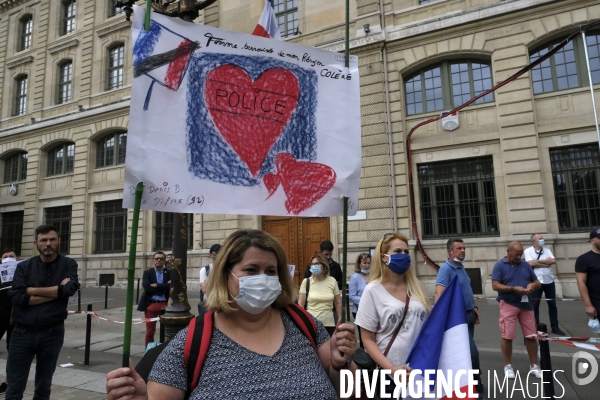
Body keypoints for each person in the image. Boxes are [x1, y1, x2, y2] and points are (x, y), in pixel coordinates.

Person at [106, 229, 357, 400]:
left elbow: (350, 391)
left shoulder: (303, 323)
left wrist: (341, 365)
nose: (263, 278)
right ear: (226, 275)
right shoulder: (190, 342)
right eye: (251, 269)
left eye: (271, 271)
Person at [6, 225, 79, 400]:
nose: (48, 243)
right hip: (22, 333)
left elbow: (70, 288)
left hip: (52, 333)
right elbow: (16, 297)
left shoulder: (68, 264)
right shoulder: (24, 267)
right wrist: (56, 292)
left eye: (52, 239)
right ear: (36, 243)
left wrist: (31, 290)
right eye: (43, 240)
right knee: (14, 387)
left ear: (59, 241)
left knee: (44, 386)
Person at [354, 233, 430, 395]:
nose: (404, 255)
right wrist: (392, 369)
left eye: (406, 252)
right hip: (389, 375)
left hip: (420, 370)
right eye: (398, 251)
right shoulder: (372, 290)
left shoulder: (416, 288)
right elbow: (367, 340)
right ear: (384, 257)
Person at [435, 238, 483, 396]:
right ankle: (477, 384)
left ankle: (468, 386)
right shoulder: (446, 269)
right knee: (472, 353)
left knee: (466, 355)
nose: (463, 250)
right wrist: (442, 318)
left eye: (464, 248)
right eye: (459, 248)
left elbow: (466, 290)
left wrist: (474, 307)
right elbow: (439, 294)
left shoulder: (461, 267)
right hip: (458, 319)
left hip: (469, 314)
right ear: (450, 251)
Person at [491, 241, 542, 379]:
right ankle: (508, 366)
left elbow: (538, 283)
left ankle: (534, 365)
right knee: (507, 336)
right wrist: (513, 289)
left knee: (531, 335)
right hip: (508, 303)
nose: (518, 257)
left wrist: (532, 286)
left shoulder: (525, 265)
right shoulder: (500, 266)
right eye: (516, 254)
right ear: (508, 252)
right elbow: (495, 286)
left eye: (520, 255)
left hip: (526, 305)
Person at [524, 233, 564, 335]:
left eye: (542, 238)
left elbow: (553, 261)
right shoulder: (528, 251)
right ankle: (535, 327)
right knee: (535, 304)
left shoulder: (547, 250)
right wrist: (546, 262)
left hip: (549, 280)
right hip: (536, 282)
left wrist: (538, 262)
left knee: (552, 304)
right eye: (540, 239)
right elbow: (530, 263)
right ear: (534, 241)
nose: (542, 240)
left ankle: (555, 326)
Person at [299, 253, 342, 336]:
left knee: (329, 348)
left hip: (329, 323)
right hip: (311, 323)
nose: (314, 266)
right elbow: (301, 304)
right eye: (312, 264)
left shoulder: (332, 281)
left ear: (323, 265)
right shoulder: (306, 282)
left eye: (317, 264)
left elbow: (337, 303)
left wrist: (340, 319)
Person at [137, 252, 171, 347]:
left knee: (166, 331)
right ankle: (148, 352)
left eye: (161, 259)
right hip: (151, 305)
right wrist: (164, 286)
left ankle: (165, 351)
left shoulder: (169, 273)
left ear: (164, 261)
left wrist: (156, 285)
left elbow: (171, 286)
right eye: (156, 259)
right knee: (150, 331)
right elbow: (147, 287)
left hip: (165, 305)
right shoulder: (148, 273)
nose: (158, 261)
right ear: (153, 260)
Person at [0, 248, 19, 394]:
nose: (8, 259)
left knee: (12, 349)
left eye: (11, 256)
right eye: (5, 257)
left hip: (15, 318)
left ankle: (7, 381)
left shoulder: (21, 272)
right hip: (0, 315)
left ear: (16, 258)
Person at [575, 228, 600, 320]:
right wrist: (588, 304)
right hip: (597, 299)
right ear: (593, 241)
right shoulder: (584, 259)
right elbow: (581, 282)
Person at [349, 252, 370, 347]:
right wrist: (366, 301)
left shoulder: (373, 276)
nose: (367, 265)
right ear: (359, 264)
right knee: (364, 337)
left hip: (373, 310)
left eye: (368, 263)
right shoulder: (355, 278)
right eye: (364, 263)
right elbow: (352, 296)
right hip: (359, 310)